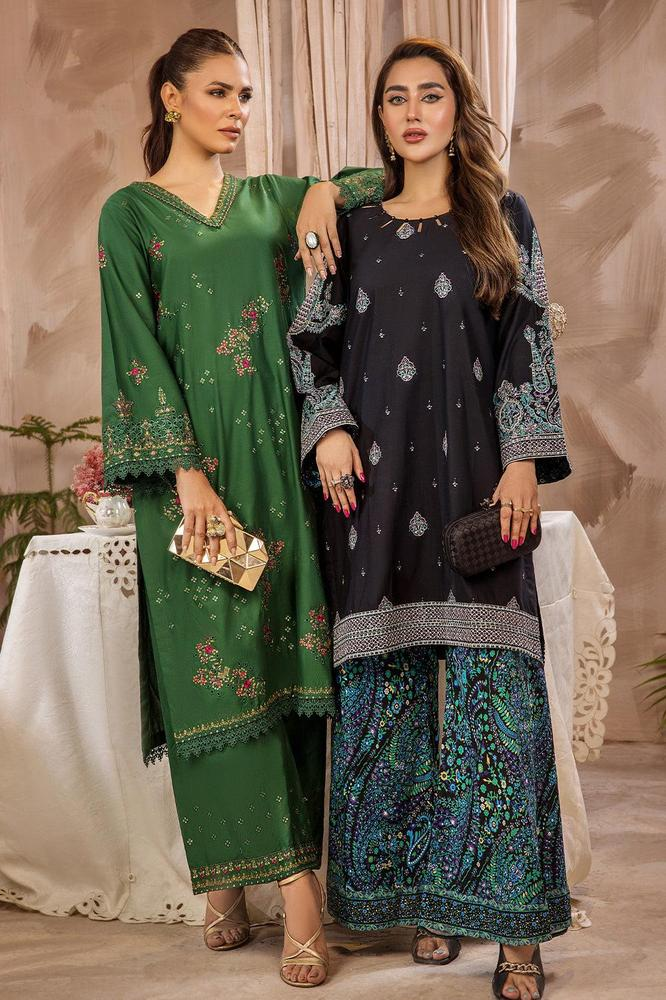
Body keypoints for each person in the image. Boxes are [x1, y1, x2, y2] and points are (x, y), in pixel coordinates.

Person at [98, 27, 382, 988]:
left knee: (288, 673)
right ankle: (285, 891)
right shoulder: (130, 213)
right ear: (170, 97)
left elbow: (384, 180)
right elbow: (135, 351)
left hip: (283, 468)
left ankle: (242, 888)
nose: (237, 110)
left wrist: (320, 188)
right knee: (215, 680)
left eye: (247, 95)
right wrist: (186, 476)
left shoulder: (269, 200)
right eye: (219, 90)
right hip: (193, 481)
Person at [289, 37, 572, 1000]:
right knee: (392, 700)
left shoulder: (502, 215)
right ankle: (427, 905)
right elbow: (310, 340)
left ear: (458, 111)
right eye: (396, 98)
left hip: (479, 486)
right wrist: (328, 427)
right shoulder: (353, 226)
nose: (414, 113)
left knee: (500, 707)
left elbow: (528, 339)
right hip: (373, 491)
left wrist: (525, 457)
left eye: (432, 96)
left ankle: (519, 934)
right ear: (380, 118)